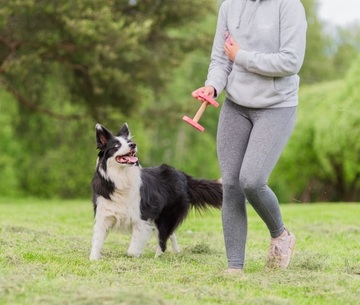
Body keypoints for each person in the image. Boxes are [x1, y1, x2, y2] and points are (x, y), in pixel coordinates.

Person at [192, 0, 307, 273]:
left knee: (252, 180)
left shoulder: (289, 6)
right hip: (236, 105)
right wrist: (213, 86)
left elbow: (291, 61)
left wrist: (242, 56)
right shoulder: (229, 6)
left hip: (276, 105)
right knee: (231, 183)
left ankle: (281, 235)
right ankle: (234, 268)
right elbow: (221, 60)